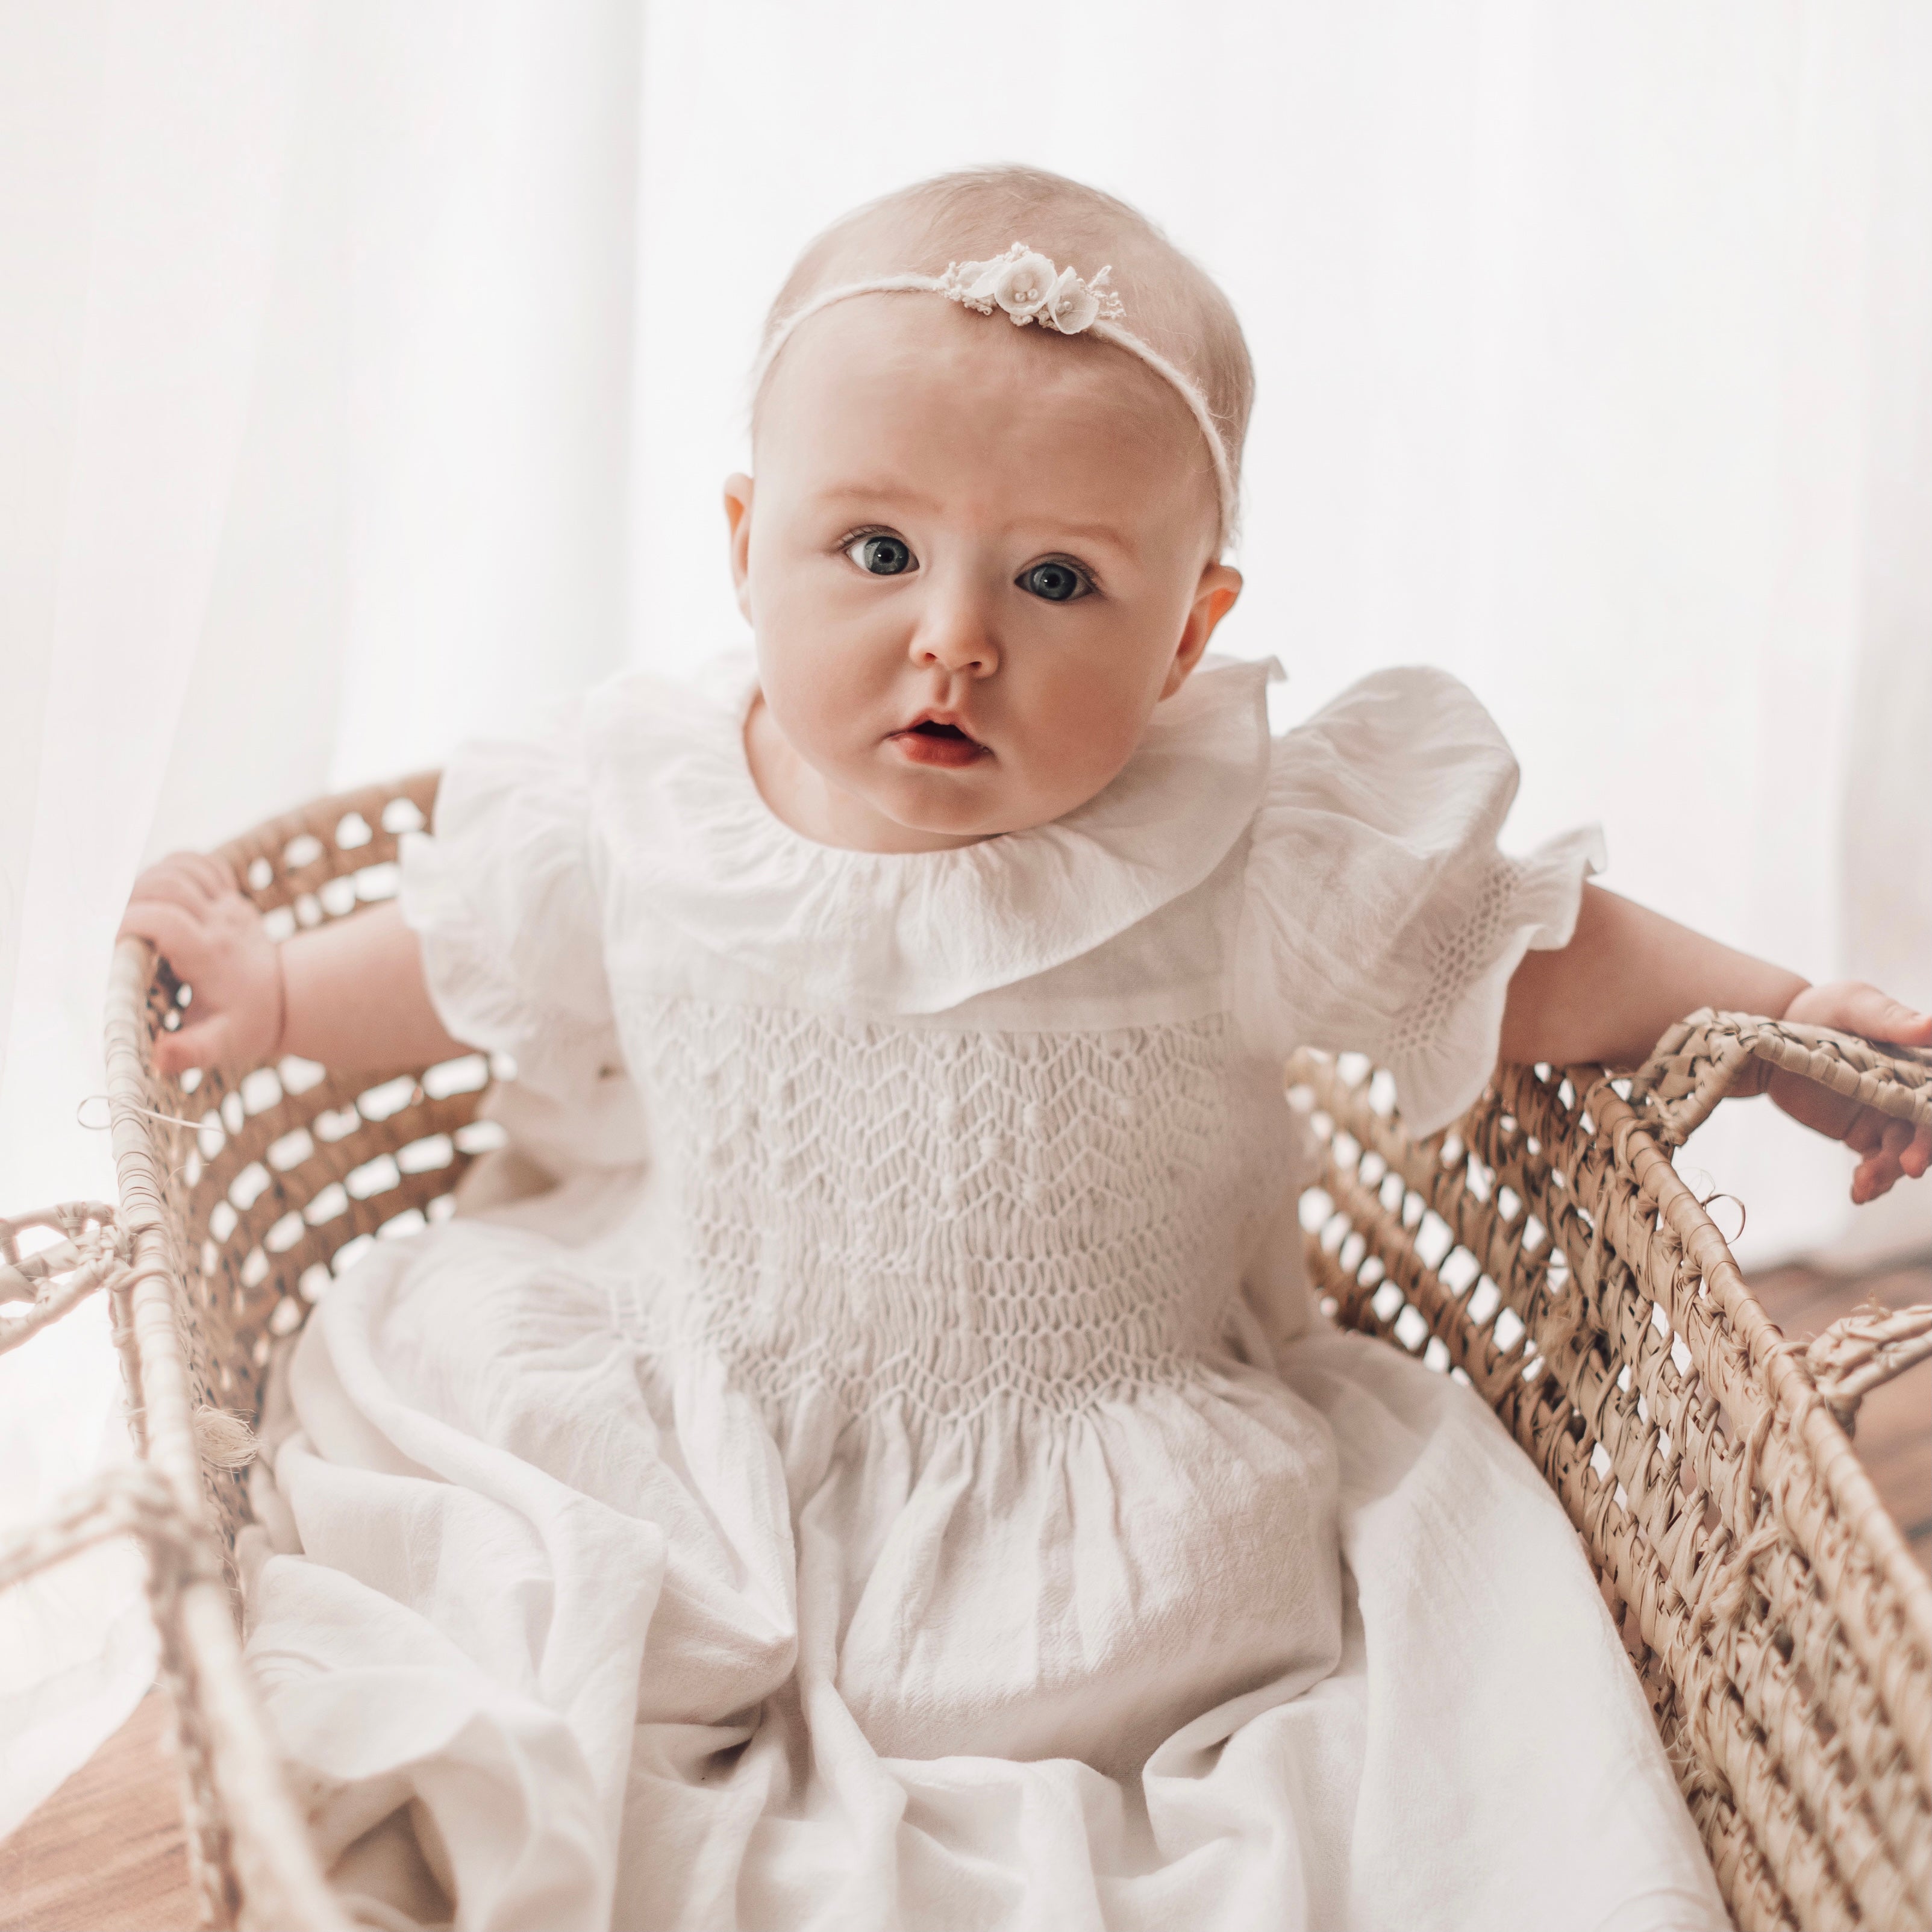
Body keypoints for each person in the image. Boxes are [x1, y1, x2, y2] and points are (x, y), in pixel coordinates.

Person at [122, 167, 1927, 1932]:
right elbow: (467, 955)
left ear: (1190, 631)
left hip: (1091, 1475)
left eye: (1059, 581)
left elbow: (1521, 953)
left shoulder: (1243, 848)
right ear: (747, 546)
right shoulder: (657, 808)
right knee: (519, 1579)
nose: (957, 639)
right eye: (879, 551)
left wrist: (1769, 1014)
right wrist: (278, 997)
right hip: (683, 1388)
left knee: (1167, 1745)